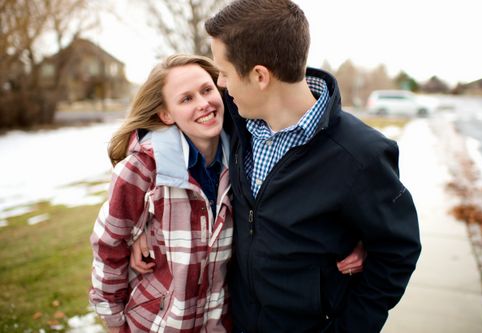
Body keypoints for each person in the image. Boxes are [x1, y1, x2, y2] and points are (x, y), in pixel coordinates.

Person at [203, 0, 422, 332]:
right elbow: (163, 118)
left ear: (260, 76)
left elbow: (396, 251)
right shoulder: (234, 121)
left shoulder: (360, 155)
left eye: (225, 72)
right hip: (240, 322)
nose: (220, 83)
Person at [89, 54, 234, 332]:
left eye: (206, 90)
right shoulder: (141, 169)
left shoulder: (239, 159)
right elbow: (108, 247)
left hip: (219, 324)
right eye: (186, 99)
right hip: (155, 324)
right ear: (166, 114)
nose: (204, 103)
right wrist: (115, 321)